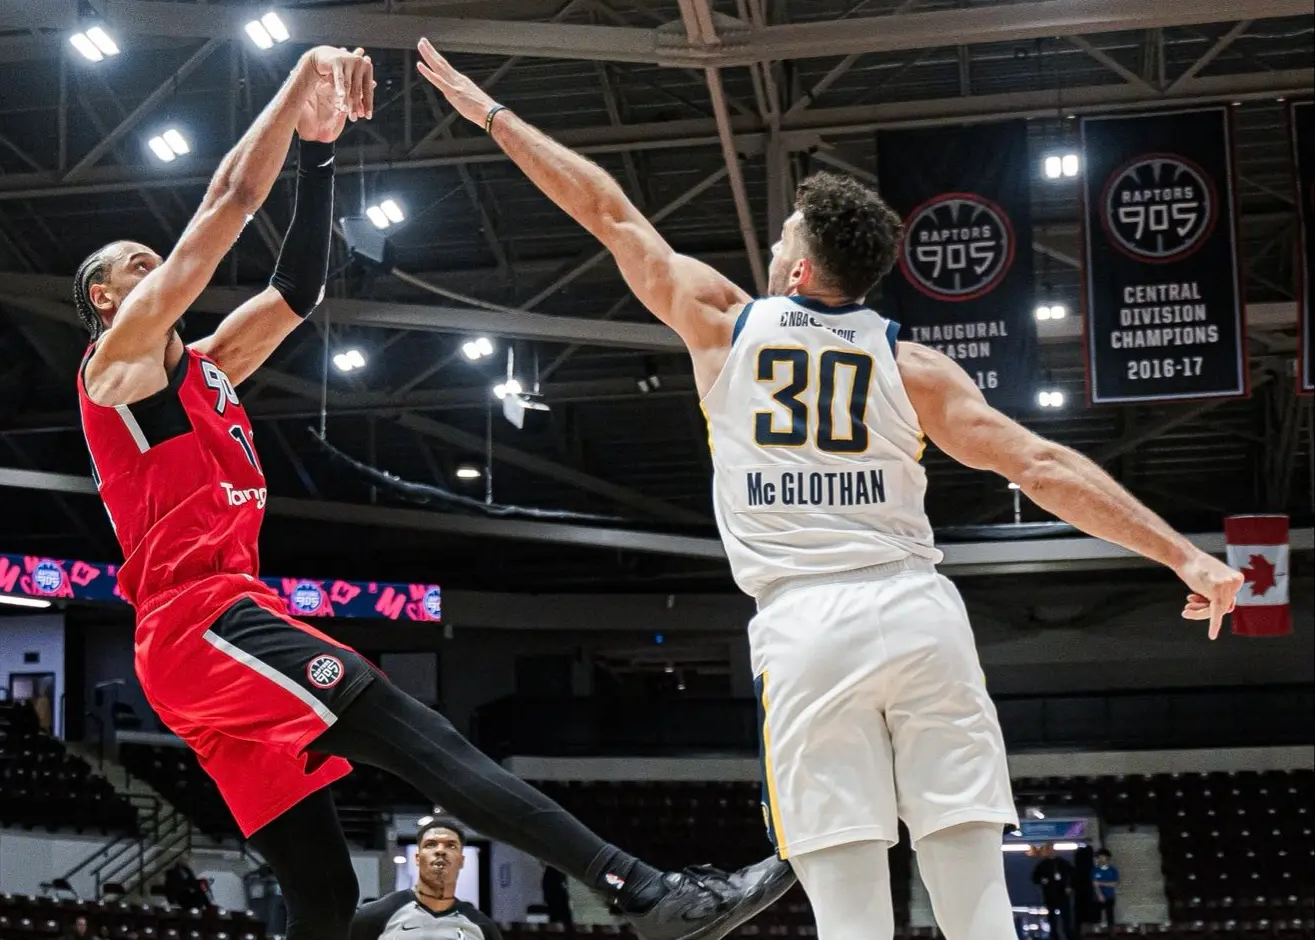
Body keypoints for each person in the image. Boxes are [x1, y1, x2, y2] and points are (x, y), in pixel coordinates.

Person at [412, 37, 1245, 940]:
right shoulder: (913, 364)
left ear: (799, 271)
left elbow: (608, 214)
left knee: (850, 915)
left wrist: (490, 114)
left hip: (807, 627)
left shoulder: (725, 324)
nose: (771, 249)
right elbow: (1041, 469)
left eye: (780, 241)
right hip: (918, 610)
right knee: (975, 899)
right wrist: (1184, 555)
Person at [72, 43, 792, 940]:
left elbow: (297, 288)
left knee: (327, 903)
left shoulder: (206, 365)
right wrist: (298, 82)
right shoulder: (116, 367)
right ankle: (646, 893)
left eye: (153, 259)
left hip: (213, 635)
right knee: (416, 733)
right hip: (197, 624)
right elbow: (227, 205)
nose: (154, 266)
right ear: (103, 297)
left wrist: (319, 149)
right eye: (134, 265)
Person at [350, 819, 500, 940]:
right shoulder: (376, 915)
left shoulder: (481, 927)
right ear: (417, 858)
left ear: (461, 860)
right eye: (430, 845)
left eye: (451, 846)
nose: (440, 851)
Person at [1033, 845, 1074, 939]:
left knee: (1066, 918)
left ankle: (1069, 935)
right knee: (1052, 918)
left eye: (1052, 850)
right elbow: (1035, 877)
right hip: (1050, 895)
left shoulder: (1063, 863)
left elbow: (1072, 875)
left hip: (1063, 894)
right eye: (1049, 850)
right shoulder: (1042, 864)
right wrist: (1042, 880)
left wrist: (1069, 886)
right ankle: (1054, 936)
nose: (1051, 852)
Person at [1092, 849, 1120, 927]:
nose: (1100, 860)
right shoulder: (1095, 870)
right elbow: (1094, 884)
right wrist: (1100, 895)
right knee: (1097, 915)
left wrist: (1101, 883)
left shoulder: (1113, 870)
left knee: (1110, 915)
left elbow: (1115, 883)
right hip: (1097, 898)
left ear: (1107, 858)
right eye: (1099, 858)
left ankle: (1111, 932)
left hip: (1110, 896)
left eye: (1102, 857)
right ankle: (1097, 929)